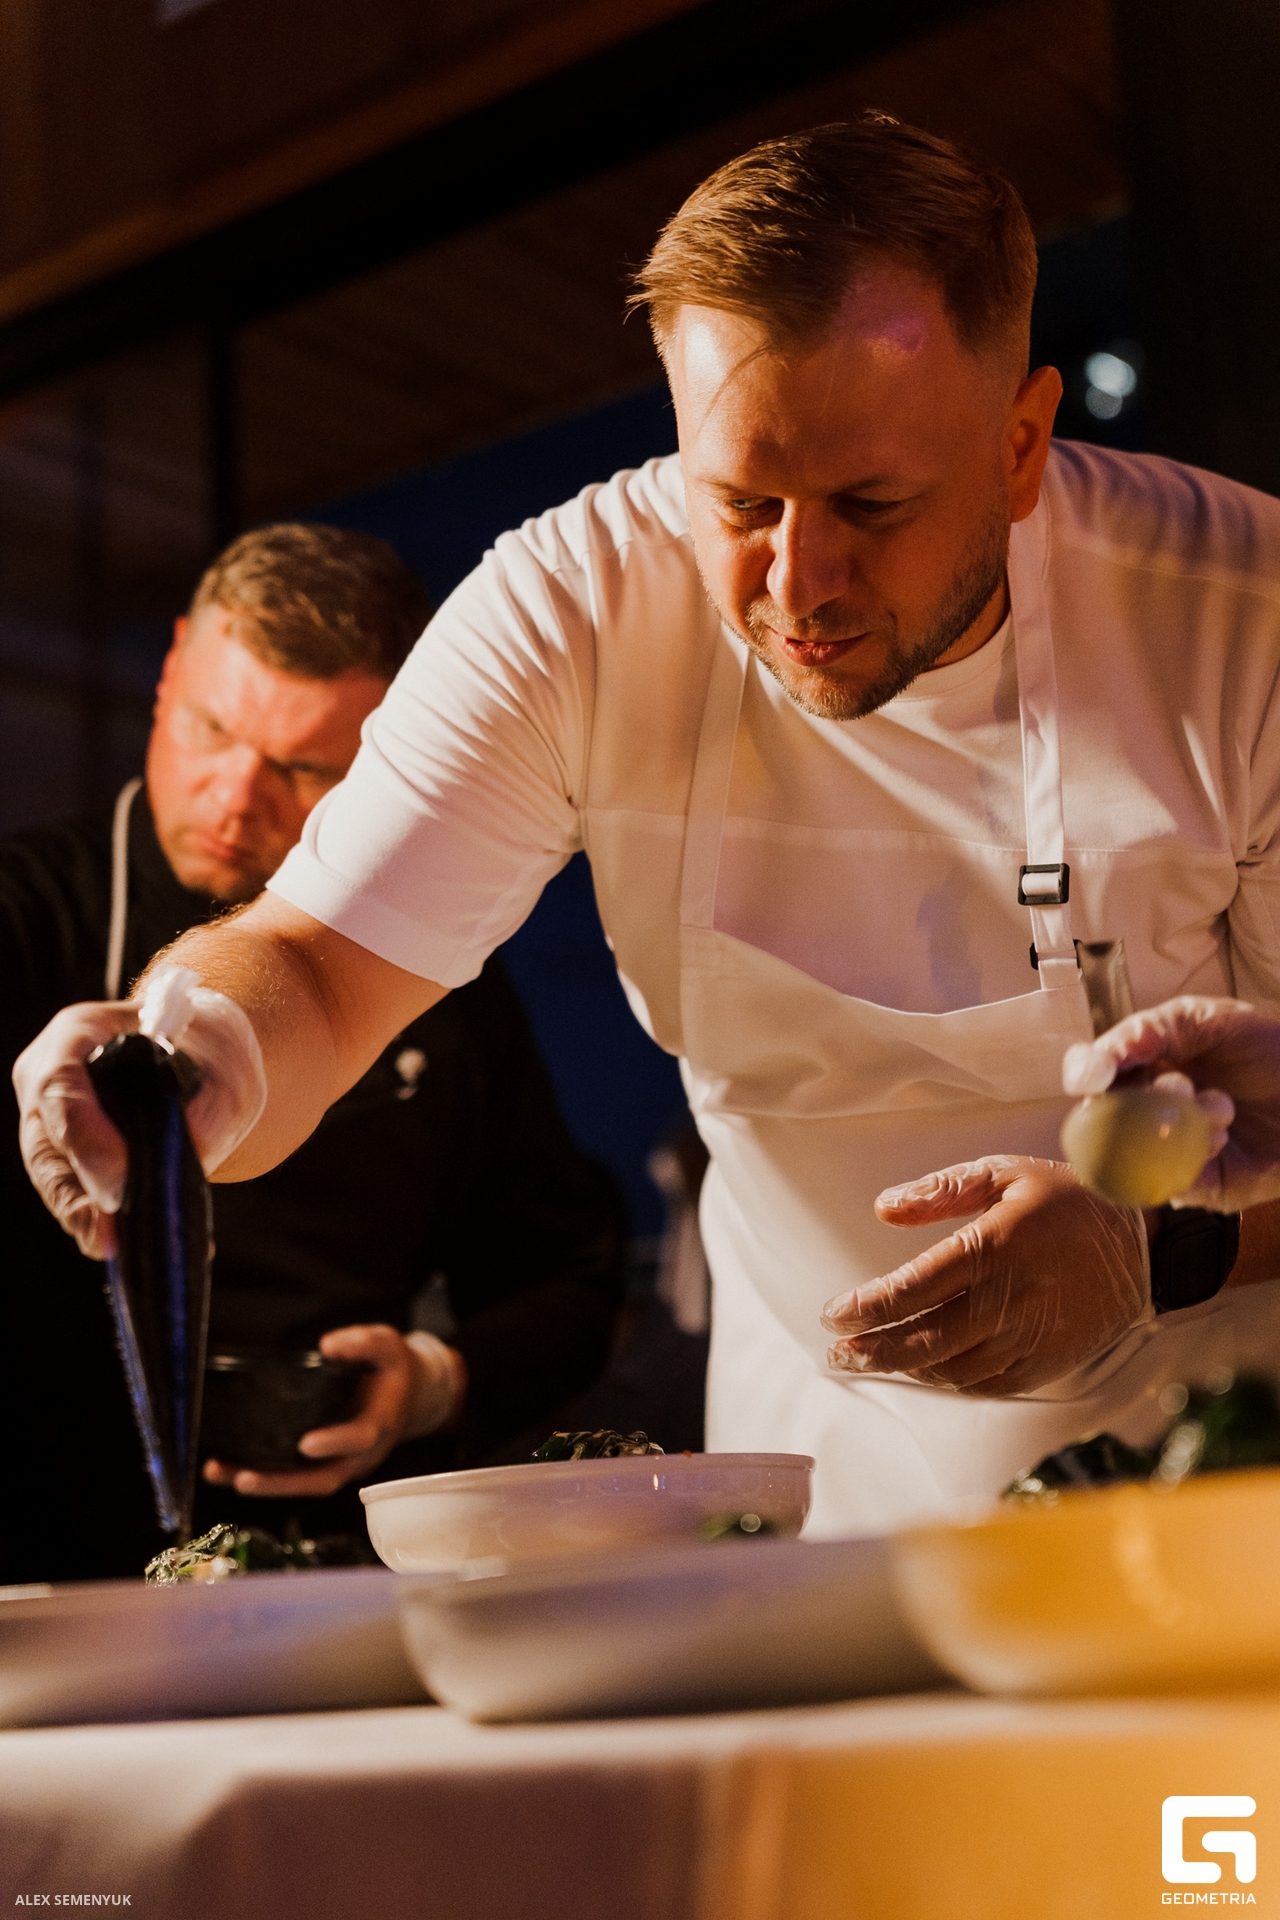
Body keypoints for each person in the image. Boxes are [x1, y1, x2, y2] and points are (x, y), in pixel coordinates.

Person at [18, 115, 1280, 1539]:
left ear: (1021, 445)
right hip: (814, 1469)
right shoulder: (573, 608)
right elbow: (313, 963)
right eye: (738, 500)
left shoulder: (1239, 622)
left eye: (872, 503)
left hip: (1211, 1460)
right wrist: (189, 1057)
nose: (796, 583)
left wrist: (1155, 1253)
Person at [2, 524, 624, 1582]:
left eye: (302, 768)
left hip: (340, 1575)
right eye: (211, 729)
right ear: (170, 669)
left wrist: (429, 1383)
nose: (236, 796)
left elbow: (569, 1280)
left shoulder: (431, 977)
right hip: (44, 1567)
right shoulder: (23, 917)